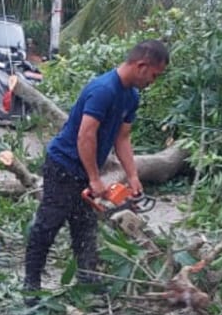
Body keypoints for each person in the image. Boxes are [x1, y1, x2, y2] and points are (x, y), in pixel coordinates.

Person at [22, 40, 167, 291]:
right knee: (49, 223)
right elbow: (85, 135)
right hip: (63, 165)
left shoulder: (131, 96)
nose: (153, 81)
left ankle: (87, 278)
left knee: (85, 225)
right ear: (141, 66)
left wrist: (132, 175)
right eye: (154, 75)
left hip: (86, 168)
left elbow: (122, 137)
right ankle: (31, 282)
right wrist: (95, 178)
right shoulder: (103, 89)